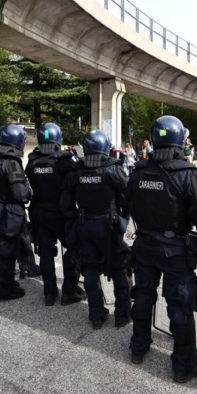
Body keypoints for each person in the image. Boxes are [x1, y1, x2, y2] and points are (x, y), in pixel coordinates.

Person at [125, 115, 197, 382]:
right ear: (180, 139)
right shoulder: (186, 173)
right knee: (180, 305)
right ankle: (183, 365)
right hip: (175, 249)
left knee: (143, 295)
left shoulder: (139, 171)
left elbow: (129, 203)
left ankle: (138, 346)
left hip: (145, 244)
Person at [60, 129, 131, 329]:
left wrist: (76, 220)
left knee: (90, 270)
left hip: (85, 226)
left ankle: (96, 315)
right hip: (109, 227)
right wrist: (123, 219)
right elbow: (128, 198)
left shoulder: (76, 171)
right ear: (105, 147)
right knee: (118, 269)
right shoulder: (113, 170)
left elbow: (65, 205)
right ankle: (122, 315)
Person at [25, 122, 86, 307]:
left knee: (45, 253)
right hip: (63, 213)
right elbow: (80, 178)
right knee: (75, 249)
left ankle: (49, 293)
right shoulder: (65, 160)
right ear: (58, 139)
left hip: (40, 212)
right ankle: (69, 290)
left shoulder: (32, 160)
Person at [0, 124, 32, 301]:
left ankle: (2, 278)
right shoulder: (11, 162)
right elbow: (20, 194)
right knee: (8, 251)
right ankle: (6, 289)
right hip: (8, 212)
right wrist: (28, 191)